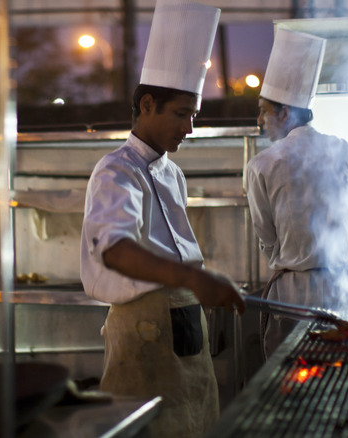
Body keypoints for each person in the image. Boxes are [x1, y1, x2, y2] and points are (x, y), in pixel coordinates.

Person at [80, 1, 245, 436]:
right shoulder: (116, 171)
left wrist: (195, 284)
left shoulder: (172, 173)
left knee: (197, 424)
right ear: (147, 103)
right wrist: (194, 278)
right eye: (180, 114)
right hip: (144, 332)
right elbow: (115, 251)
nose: (188, 128)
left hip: (187, 327)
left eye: (193, 115)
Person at [245, 29, 348, 359]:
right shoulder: (345, 151)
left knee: (293, 385)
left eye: (264, 110)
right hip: (345, 290)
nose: (260, 120)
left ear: (284, 113)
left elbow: (267, 239)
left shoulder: (262, 164)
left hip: (291, 297)